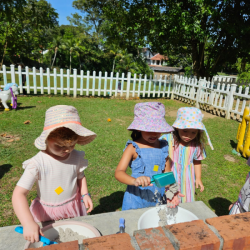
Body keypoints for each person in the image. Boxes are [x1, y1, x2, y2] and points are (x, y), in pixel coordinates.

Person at [12, 105, 96, 243]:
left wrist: (85, 194)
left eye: (72, 145)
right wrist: (27, 223)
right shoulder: (37, 163)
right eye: (60, 146)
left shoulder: (76, 156)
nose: (68, 150)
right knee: (49, 239)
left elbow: (80, 176)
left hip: (72, 206)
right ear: (46, 139)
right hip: (47, 212)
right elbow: (18, 194)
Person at [115, 102, 180, 210]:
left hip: (158, 197)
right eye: (150, 129)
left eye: (157, 129)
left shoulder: (163, 146)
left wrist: (172, 190)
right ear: (139, 128)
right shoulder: (133, 147)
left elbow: (167, 174)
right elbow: (119, 172)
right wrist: (134, 181)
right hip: (135, 198)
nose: (154, 134)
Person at [160, 107, 214, 204]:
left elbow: (197, 161)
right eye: (185, 131)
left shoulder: (197, 144)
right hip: (170, 176)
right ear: (177, 127)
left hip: (187, 179)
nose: (189, 136)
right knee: (168, 200)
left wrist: (198, 178)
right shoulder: (166, 139)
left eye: (193, 132)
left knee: (186, 201)